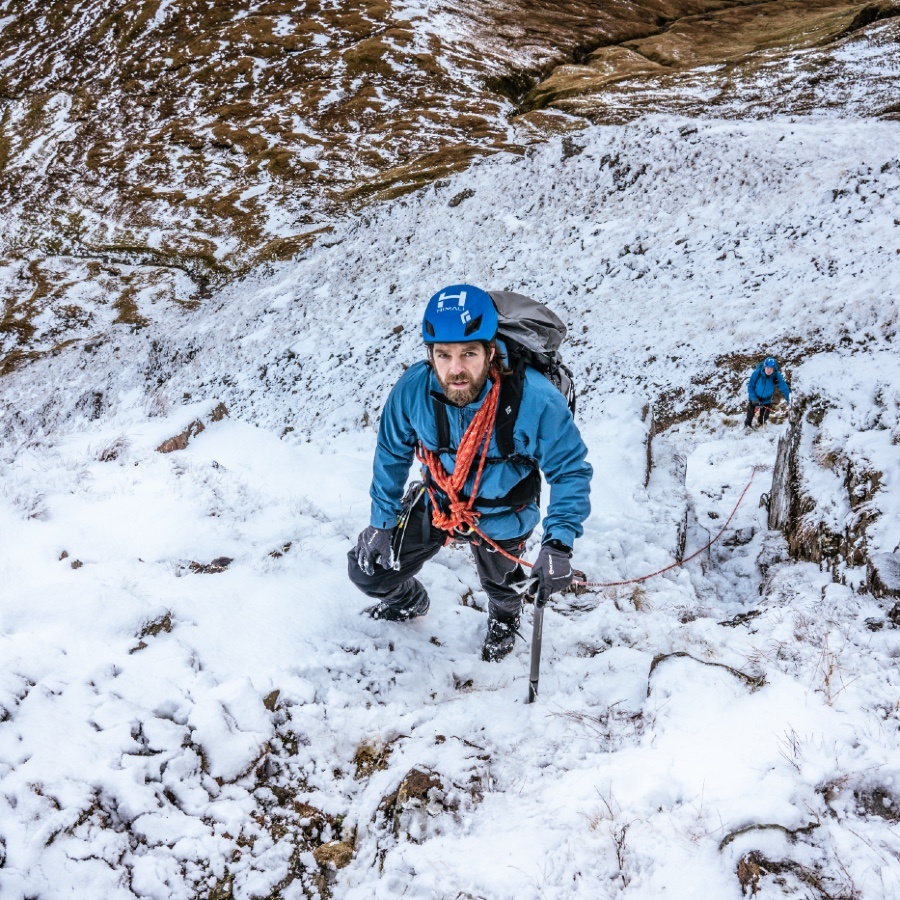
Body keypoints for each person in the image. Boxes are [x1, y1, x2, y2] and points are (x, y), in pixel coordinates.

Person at [348, 284, 592, 662]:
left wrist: (558, 543)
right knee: (368, 571)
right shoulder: (413, 392)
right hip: (441, 501)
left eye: (469, 354)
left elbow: (570, 470)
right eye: (443, 355)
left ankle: (504, 619)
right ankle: (408, 601)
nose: (455, 369)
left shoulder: (537, 400)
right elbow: (391, 455)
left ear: (490, 350)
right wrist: (382, 522)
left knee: (502, 587)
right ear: (430, 354)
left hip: (504, 514)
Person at [744, 355, 791, 427]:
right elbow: (750, 387)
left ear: (774, 368)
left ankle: (760, 425)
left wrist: (790, 400)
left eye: (771, 369)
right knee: (750, 413)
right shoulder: (757, 373)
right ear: (764, 367)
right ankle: (747, 425)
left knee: (764, 417)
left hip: (766, 399)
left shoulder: (777, 375)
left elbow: (784, 387)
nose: (769, 370)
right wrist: (754, 399)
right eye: (767, 368)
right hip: (755, 397)